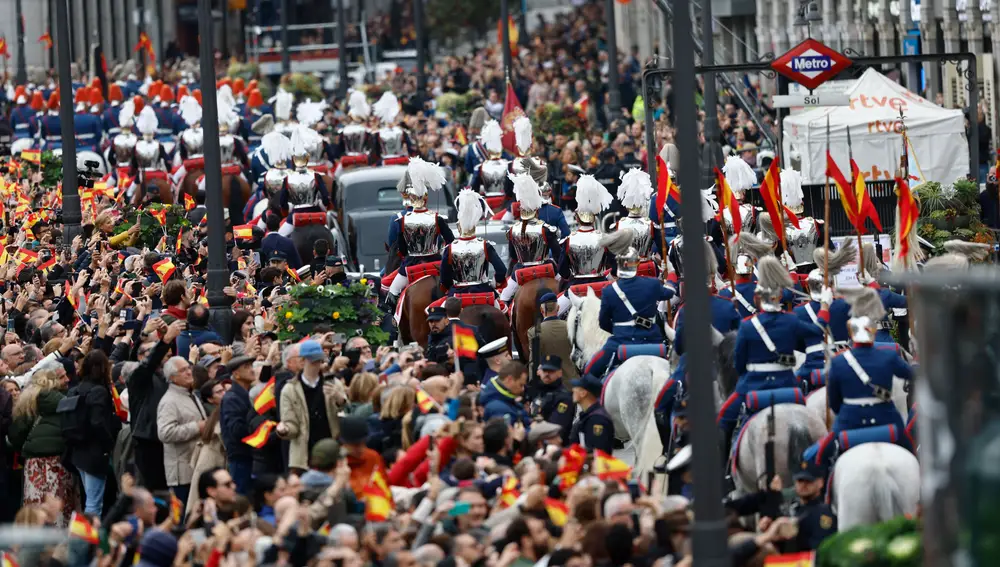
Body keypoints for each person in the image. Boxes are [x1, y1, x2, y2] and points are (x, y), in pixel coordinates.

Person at [717, 257, 825, 445]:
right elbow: (818, 330)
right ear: (779, 296)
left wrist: (746, 376)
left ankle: (724, 469)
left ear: (758, 299)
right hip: (788, 386)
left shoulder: (747, 325)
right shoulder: (791, 320)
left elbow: (739, 362)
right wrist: (824, 307)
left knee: (723, 420)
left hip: (753, 386)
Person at [584, 231, 674, 378]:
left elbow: (603, 323)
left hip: (620, 342)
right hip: (652, 341)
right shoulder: (652, 284)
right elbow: (670, 291)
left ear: (618, 264)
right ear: (637, 264)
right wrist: (670, 272)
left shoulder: (609, 291)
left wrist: (620, 331)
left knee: (588, 373)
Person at [826, 288, 913, 437]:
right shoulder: (889, 355)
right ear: (872, 330)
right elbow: (913, 375)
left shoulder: (838, 362)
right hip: (885, 414)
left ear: (851, 331)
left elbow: (834, 402)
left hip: (850, 418)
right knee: (907, 444)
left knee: (819, 455)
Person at [8, 367, 77, 526]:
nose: (67, 380)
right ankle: (60, 544)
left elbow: (15, 435)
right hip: (59, 462)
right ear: (52, 381)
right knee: (60, 504)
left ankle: (34, 542)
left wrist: (28, 447)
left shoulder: (28, 401)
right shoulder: (66, 401)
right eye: (62, 377)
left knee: (35, 504)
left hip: (34, 464)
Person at [276, 340, 347, 473]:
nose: (316, 365)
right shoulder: (289, 389)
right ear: (302, 362)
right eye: (313, 361)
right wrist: (284, 430)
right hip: (303, 455)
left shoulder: (333, 383)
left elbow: (346, 413)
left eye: (319, 361)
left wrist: (339, 399)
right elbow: (292, 426)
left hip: (331, 448)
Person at [66, 351, 122, 517]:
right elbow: (97, 422)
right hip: (94, 452)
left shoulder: (76, 389)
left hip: (78, 451)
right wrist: (109, 444)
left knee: (89, 500)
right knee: (94, 504)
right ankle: (88, 542)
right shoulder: (99, 391)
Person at [157, 356, 208, 504]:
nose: (188, 372)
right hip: (182, 474)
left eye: (188, 368)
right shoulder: (169, 401)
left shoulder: (189, 394)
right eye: (183, 370)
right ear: (172, 378)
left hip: (195, 467)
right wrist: (197, 427)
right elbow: (165, 433)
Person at [219, 354, 256, 495]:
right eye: (246, 367)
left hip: (250, 456)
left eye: (251, 366)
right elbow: (237, 429)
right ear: (236, 374)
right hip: (241, 458)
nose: (252, 370)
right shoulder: (232, 398)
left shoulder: (248, 394)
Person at [786, 458, 838, 551]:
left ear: (820, 483)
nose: (803, 485)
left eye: (809, 481)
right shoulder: (791, 510)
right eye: (800, 481)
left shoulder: (824, 513)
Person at [527, 293, 578, 382]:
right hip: (572, 382)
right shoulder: (570, 326)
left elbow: (534, 362)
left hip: (549, 383)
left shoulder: (535, 330)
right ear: (558, 308)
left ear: (541, 310)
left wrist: (533, 385)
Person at [525, 354, 574, 444]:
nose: (547, 374)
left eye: (551, 371)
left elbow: (556, 428)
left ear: (559, 373)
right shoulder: (537, 391)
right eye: (545, 370)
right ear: (539, 371)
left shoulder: (564, 398)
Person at [340, 415, 387, 496]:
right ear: (344, 443)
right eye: (356, 445)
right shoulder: (337, 463)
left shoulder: (373, 457)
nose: (361, 449)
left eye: (364, 443)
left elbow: (384, 485)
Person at [569, 374, 615, 453]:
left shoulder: (597, 420)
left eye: (575, 390)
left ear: (583, 393)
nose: (572, 391)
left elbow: (597, 452)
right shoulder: (588, 415)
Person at [481, 360, 530, 426]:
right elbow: (510, 433)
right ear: (509, 379)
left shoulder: (505, 399)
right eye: (521, 385)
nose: (522, 389)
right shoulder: (498, 408)